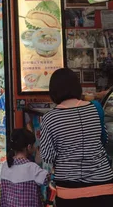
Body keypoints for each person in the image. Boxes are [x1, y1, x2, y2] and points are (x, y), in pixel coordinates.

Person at [39, 68, 113, 206]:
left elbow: (47, 157)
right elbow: (104, 140)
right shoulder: (95, 109)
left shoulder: (49, 118)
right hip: (104, 186)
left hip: (69, 190)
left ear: (53, 91)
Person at [0, 129, 49, 207]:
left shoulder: (5, 165)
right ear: (29, 147)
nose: (35, 147)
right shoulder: (32, 168)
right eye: (34, 145)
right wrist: (39, 163)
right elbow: (46, 179)